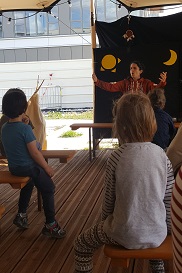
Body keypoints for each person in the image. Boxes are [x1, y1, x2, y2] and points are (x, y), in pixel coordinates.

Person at [74, 92, 174, 273]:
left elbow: (108, 202)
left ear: (120, 126)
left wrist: (105, 223)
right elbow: (168, 199)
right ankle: (157, 268)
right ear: (152, 122)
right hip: (157, 233)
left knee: (81, 245)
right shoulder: (162, 156)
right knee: (154, 249)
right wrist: (165, 230)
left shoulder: (117, 157)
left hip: (122, 232)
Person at [1, 88, 66, 239]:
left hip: (14, 168)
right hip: (29, 166)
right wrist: (46, 167)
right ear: (24, 108)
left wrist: (27, 124)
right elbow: (35, 152)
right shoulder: (24, 129)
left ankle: (21, 214)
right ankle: (51, 224)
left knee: (29, 183)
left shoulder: (5, 128)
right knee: (49, 188)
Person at [92, 61, 167, 94]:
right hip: (128, 111)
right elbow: (111, 87)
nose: (132, 70)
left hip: (143, 111)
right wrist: (97, 81)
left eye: (134, 68)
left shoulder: (146, 83)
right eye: (131, 68)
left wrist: (162, 82)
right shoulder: (125, 83)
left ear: (140, 71)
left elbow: (157, 88)